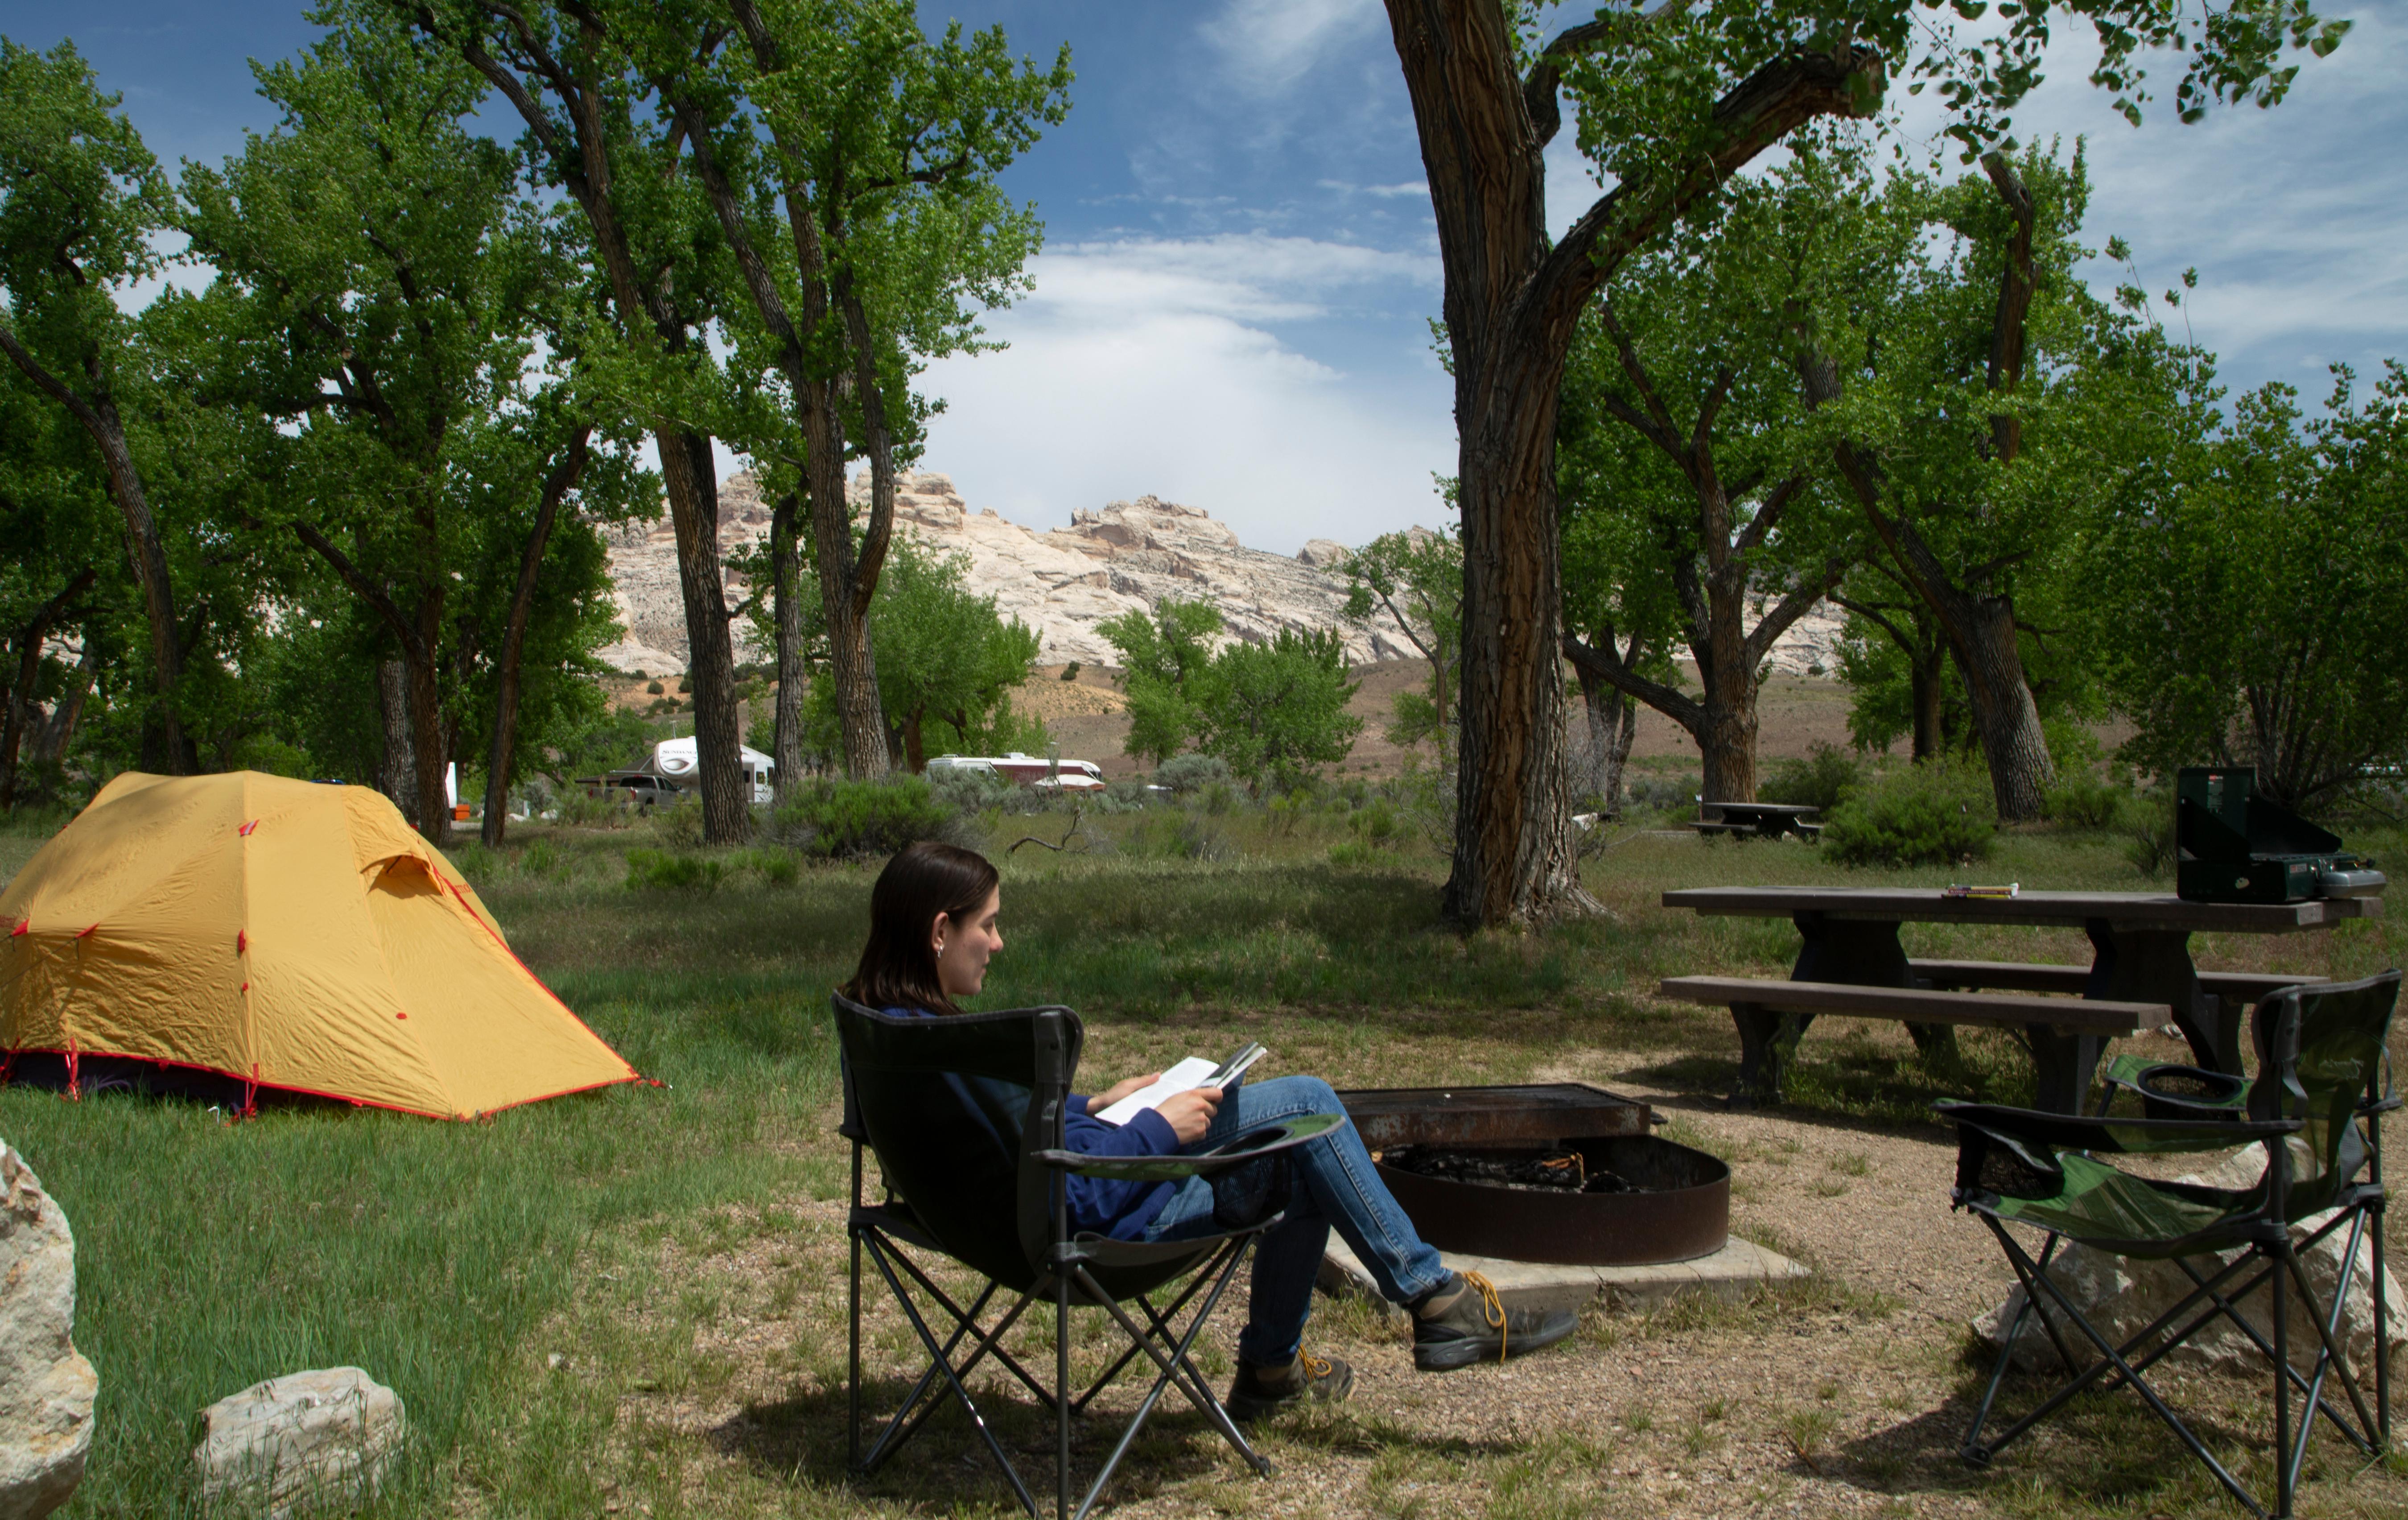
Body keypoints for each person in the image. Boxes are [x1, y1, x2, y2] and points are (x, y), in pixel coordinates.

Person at [844, 840, 1578, 1423]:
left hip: (992, 1226)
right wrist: (1160, 1129)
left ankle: (1274, 1373)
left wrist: (1097, 1107)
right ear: (942, 931)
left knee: (1301, 1153)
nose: (998, 943)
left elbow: (1009, 1140)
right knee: (1309, 1111)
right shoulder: (957, 1050)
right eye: (989, 924)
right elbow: (1084, 1200)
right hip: (1084, 1234)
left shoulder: (891, 1033)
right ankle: (1432, 1302)